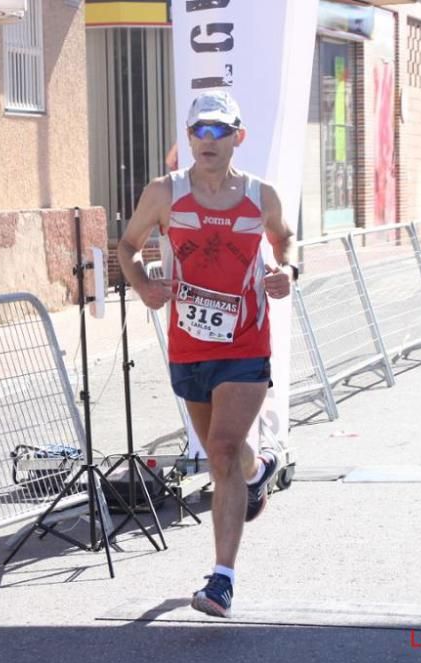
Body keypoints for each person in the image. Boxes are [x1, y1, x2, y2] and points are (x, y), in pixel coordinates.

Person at [117, 90, 292, 618]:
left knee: (218, 449)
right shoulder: (163, 193)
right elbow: (126, 246)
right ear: (188, 138)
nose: (208, 140)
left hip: (245, 342)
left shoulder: (261, 196)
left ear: (239, 137)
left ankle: (222, 579)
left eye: (219, 131)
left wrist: (288, 271)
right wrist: (143, 282)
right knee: (229, 455)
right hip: (189, 344)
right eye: (199, 131)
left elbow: (286, 242)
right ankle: (258, 470)